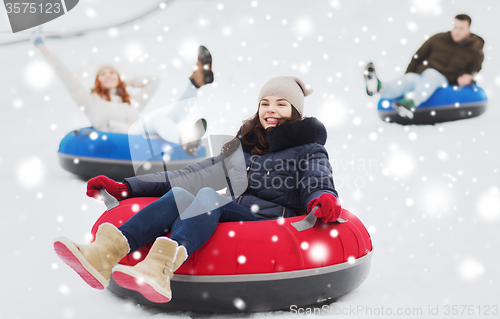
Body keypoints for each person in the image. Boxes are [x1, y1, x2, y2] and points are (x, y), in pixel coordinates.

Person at [53, 76, 342, 304]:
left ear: (295, 111)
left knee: (207, 197)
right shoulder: (244, 147)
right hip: (236, 213)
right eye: (265, 102)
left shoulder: (308, 149)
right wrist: (127, 186)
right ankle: (104, 254)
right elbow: (193, 174)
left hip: (273, 224)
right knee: (182, 194)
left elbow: (317, 180)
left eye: (281, 103)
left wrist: (322, 198)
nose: (270, 109)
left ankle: (160, 268)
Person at [31, 28, 214, 142]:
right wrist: (41, 46)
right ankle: (184, 139)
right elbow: (65, 75)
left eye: (112, 72)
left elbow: (153, 82)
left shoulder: (128, 101)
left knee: (170, 115)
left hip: (140, 137)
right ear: (97, 81)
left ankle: (195, 83)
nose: (108, 75)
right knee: (160, 121)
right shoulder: (90, 100)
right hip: (120, 141)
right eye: (103, 74)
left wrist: (128, 82)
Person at [364, 14, 484, 118]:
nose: (457, 31)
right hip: (421, 74)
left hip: (444, 79)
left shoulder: (475, 50)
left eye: (461, 28)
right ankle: (379, 87)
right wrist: (409, 73)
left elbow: (475, 70)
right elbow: (418, 56)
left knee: (432, 76)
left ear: (469, 30)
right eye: (455, 27)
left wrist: (469, 77)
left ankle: (410, 102)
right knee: (407, 81)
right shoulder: (438, 39)